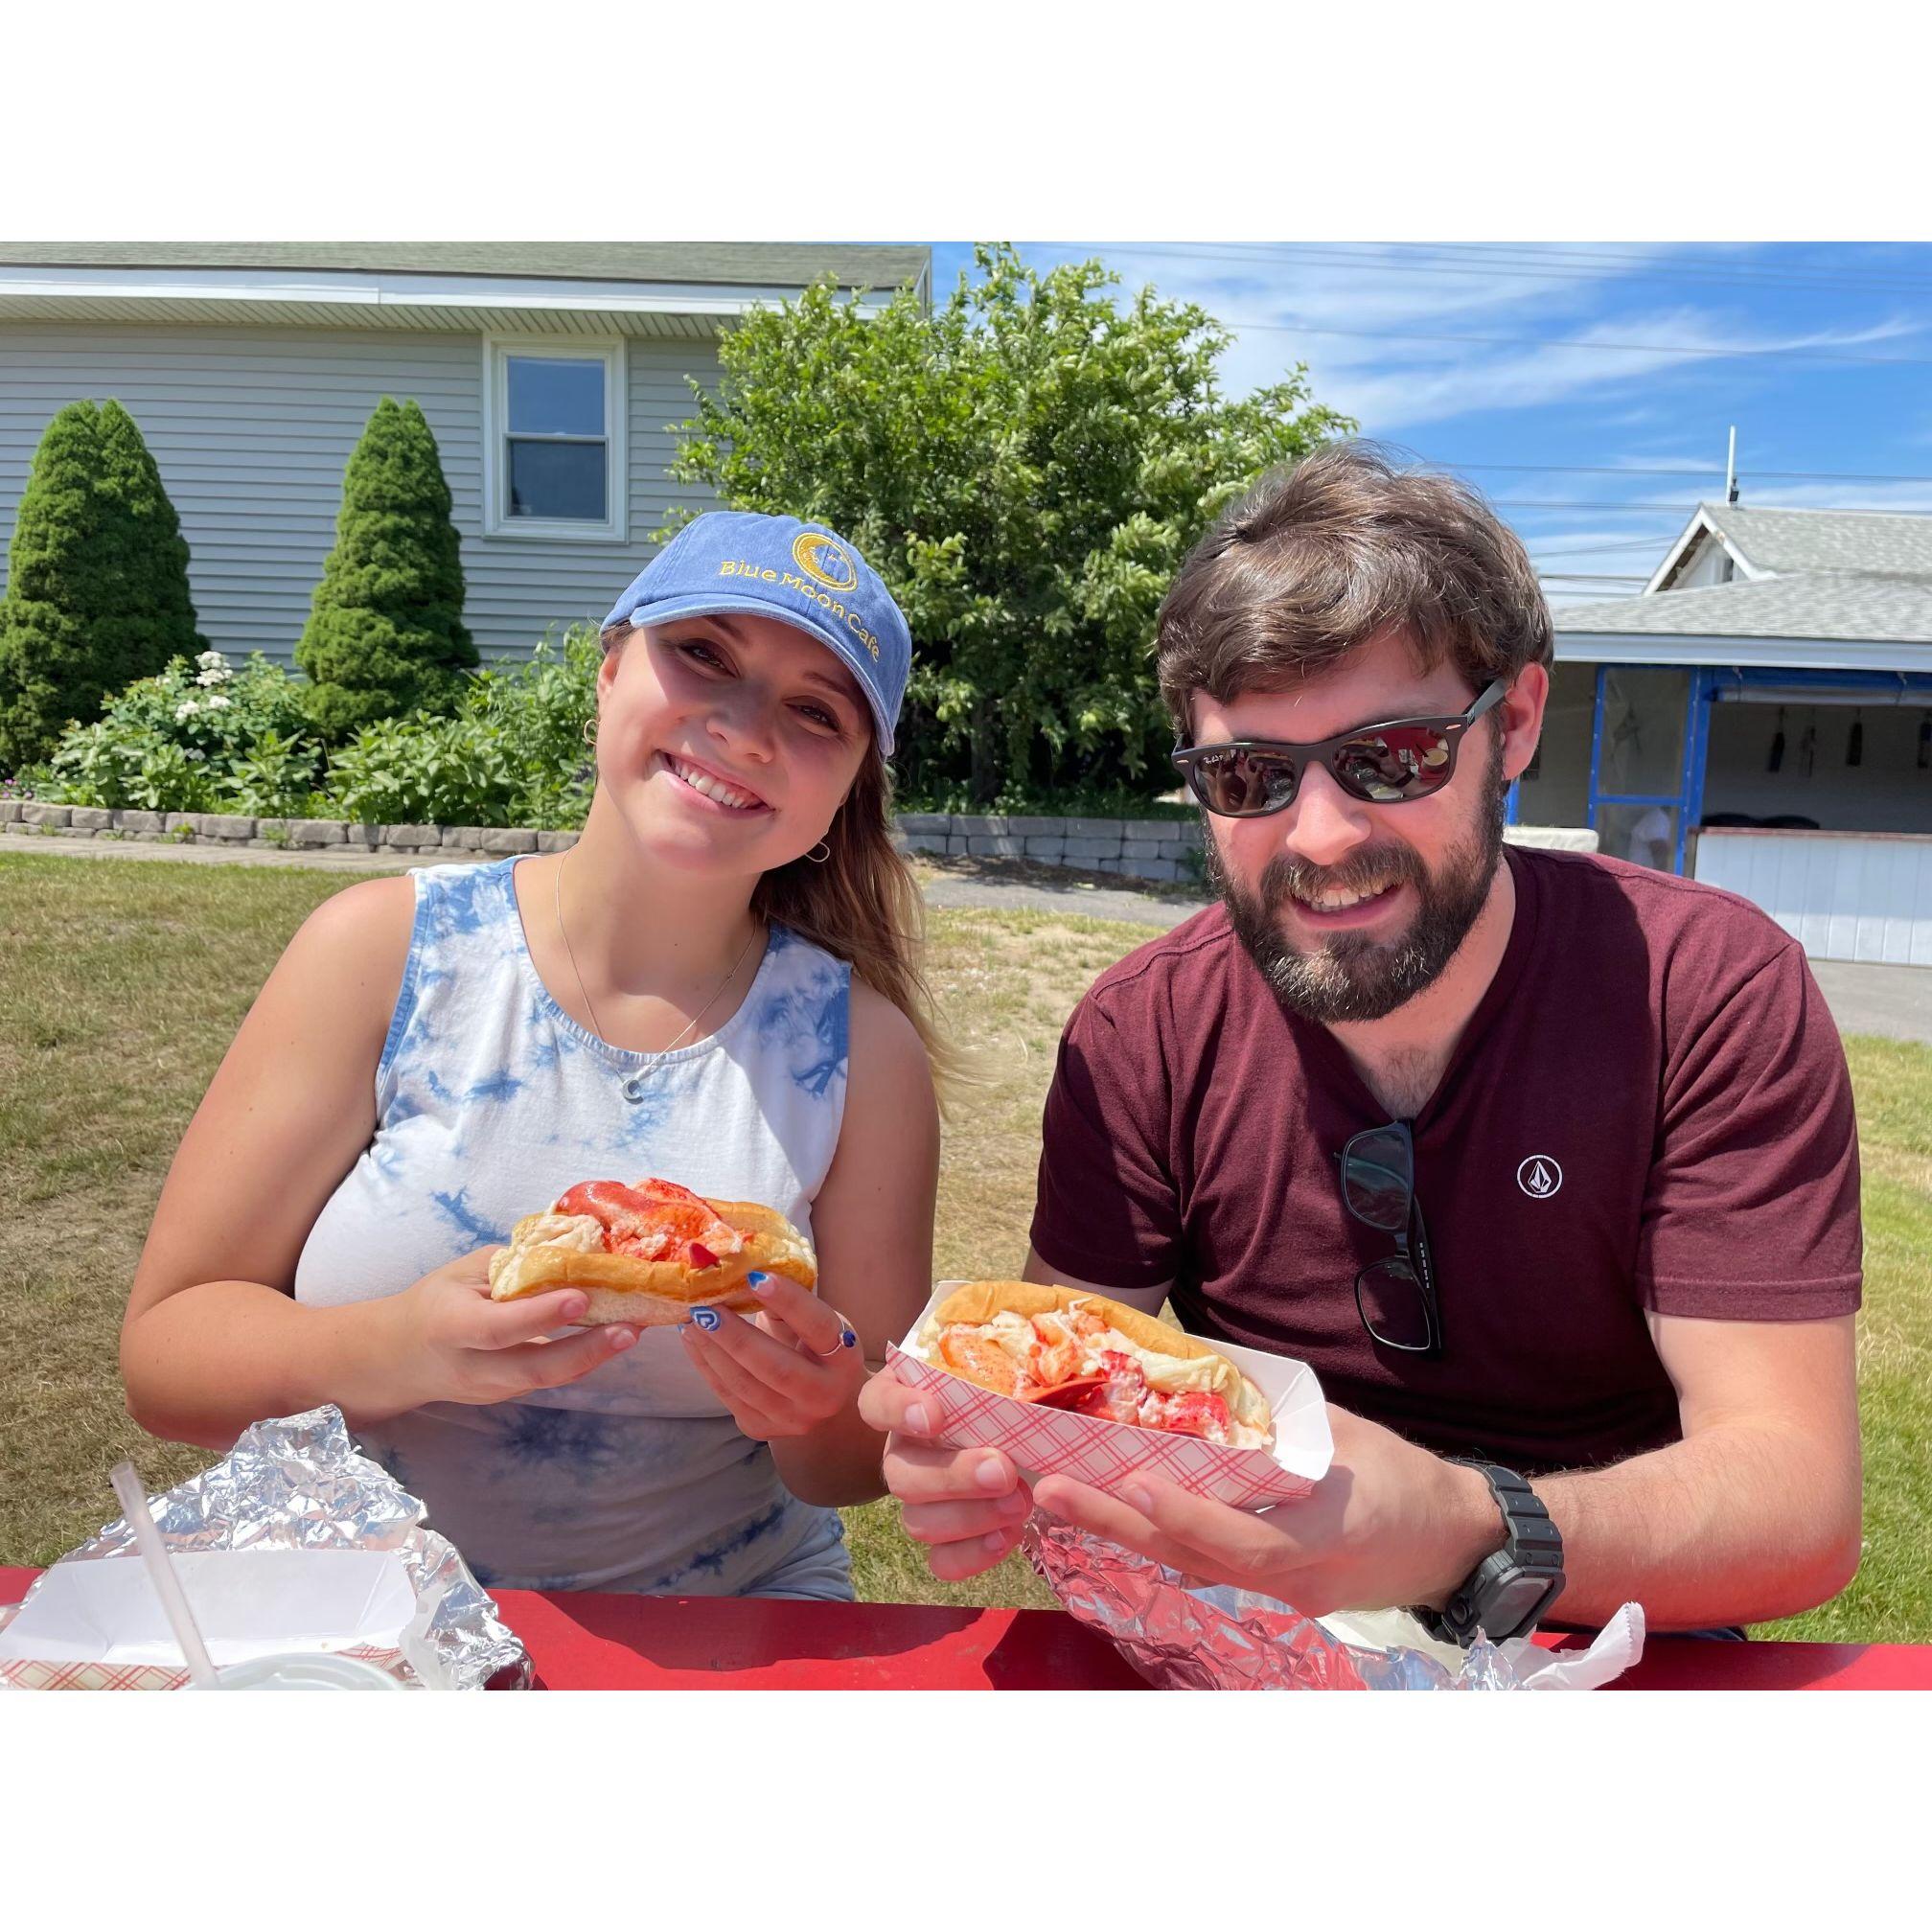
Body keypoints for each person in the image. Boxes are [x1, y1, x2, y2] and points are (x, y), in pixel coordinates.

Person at [862, 445, 1863, 1639]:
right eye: (1249, 775)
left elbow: (1797, 1501)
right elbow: (1062, 1377)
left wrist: (1462, 1531)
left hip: (1627, 1631)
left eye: (1391, 757)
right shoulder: (1145, 1033)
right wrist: (989, 1463)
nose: (1322, 835)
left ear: (1518, 724)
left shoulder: (1703, 993)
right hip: (1260, 1644)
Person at [122, 511, 941, 1600]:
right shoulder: (381, 950)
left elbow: (851, 1468)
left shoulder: (864, 1052)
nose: (746, 729)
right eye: (702, 654)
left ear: (847, 794)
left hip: (722, 1623)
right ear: (608, 668)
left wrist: (822, 1407)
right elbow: (165, 1361)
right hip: (347, 1615)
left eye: (814, 711)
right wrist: (395, 1348)